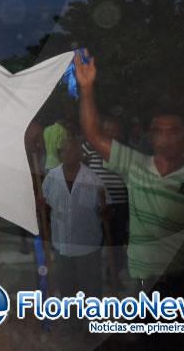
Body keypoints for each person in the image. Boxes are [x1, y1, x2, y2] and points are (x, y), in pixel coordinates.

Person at [75, 50, 184, 347]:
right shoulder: (135, 165)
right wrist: (87, 88)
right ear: (150, 136)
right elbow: (92, 134)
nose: (166, 138)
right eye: (159, 131)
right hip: (147, 291)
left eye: (173, 131)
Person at [42, 137, 106, 297]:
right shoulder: (52, 178)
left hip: (87, 246)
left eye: (71, 150)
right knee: (66, 291)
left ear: (79, 153)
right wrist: (40, 205)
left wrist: (105, 209)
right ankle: (70, 322)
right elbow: (43, 203)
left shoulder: (93, 179)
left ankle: (91, 321)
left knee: (91, 291)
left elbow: (105, 210)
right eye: (63, 150)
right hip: (62, 245)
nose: (67, 154)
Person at [81, 116, 129, 289]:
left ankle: (113, 276)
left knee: (116, 241)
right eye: (107, 129)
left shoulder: (124, 150)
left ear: (119, 133)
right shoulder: (89, 146)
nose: (110, 133)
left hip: (119, 201)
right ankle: (91, 277)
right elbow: (79, 164)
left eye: (114, 130)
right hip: (96, 201)